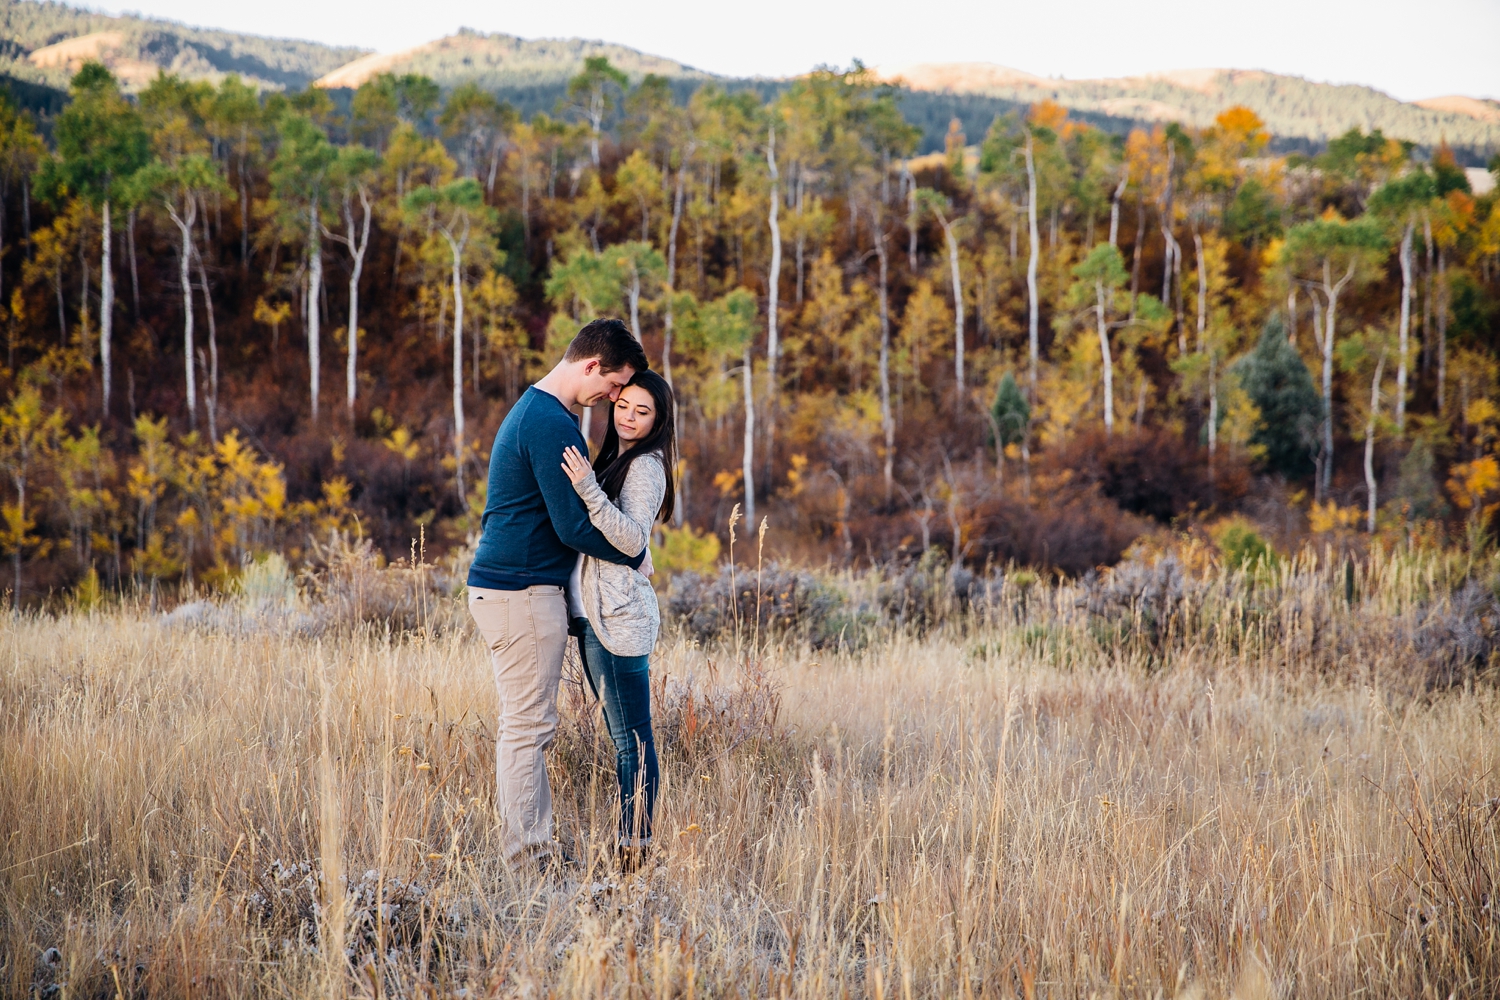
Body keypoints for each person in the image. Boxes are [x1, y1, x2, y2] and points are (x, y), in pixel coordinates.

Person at [467, 318, 651, 869]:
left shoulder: (545, 413)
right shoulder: (549, 422)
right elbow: (572, 526)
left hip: (515, 590)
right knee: (527, 729)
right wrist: (634, 554)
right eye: (616, 385)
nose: (616, 398)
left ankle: (532, 851)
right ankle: (527, 862)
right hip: (519, 592)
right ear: (593, 366)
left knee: (527, 727)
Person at [559, 370, 676, 868]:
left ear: (658, 421)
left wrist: (586, 486)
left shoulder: (647, 466)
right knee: (622, 739)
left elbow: (630, 539)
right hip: (595, 618)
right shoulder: (617, 457)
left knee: (633, 743)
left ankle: (635, 852)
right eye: (624, 405)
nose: (628, 416)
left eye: (642, 411)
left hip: (621, 621)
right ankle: (630, 844)